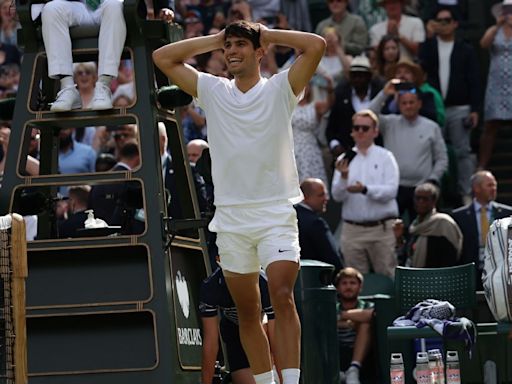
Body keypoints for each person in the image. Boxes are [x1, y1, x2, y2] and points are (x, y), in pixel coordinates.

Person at [153, 21, 325, 384]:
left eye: (240, 45)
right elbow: (162, 58)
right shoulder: (213, 90)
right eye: (228, 46)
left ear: (259, 51)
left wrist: (270, 35)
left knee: (281, 294)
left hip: (276, 212)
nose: (231, 51)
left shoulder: (282, 87)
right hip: (231, 219)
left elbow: (316, 45)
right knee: (247, 311)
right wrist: (216, 40)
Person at [419, 6, 481, 202]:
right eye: (439, 20)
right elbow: (421, 71)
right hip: (434, 108)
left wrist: (475, 109)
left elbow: (475, 80)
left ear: (455, 24)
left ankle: (466, 194)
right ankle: (435, 195)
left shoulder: (466, 49)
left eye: (447, 20)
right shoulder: (428, 47)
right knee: (434, 152)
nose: (443, 24)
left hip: (459, 107)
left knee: (463, 152)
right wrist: (429, 35)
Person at [331, 110, 399, 278]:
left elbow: (391, 191)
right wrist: (344, 178)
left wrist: (365, 189)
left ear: (375, 131)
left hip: (381, 229)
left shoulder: (386, 157)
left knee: (388, 277)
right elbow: (337, 196)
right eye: (357, 128)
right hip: (353, 231)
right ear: (352, 131)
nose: (360, 131)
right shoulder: (344, 159)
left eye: (365, 128)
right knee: (355, 280)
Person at [368, 79, 448, 222]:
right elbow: (368, 115)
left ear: (419, 104)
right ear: (399, 105)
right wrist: (384, 93)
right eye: (404, 103)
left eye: (411, 102)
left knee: (422, 230)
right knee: (391, 229)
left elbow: (442, 158)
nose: (408, 106)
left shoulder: (431, 127)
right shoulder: (389, 123)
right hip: (394, 187)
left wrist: (433, 179)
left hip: (422, 188)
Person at [34, 0, 126, 111]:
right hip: (78, 5)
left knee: (115, 5)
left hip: (109, 5)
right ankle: (67, 87)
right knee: (51, 9)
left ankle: (104, 85)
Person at [200, 267, 277, 384]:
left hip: (263, 325)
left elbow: (278, 340)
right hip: (235, 328)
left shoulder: (265, 283)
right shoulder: (212, 286)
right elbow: (210, 343)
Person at [451, 170, 512, 289]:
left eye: (494, 185)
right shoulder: (459, 216)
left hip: (499, 272)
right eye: (489, 185)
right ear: (476, 188)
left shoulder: (507, 213)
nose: (493, 188)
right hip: (470, 272)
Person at [326, 55, 384, 159]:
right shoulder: (341, 94)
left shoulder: (379, 93)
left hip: (376, 154)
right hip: (346, 154)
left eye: (361, 75)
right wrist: (335, 145)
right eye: (354, 75)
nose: (357, 79)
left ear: (369, 76)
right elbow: (331, 127)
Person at [478, 0, 512, 169]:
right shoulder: (495, 30)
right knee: (491, 124)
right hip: (497, 82)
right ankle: (482, 165)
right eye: (507, 11)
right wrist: (496, 26)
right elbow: (483, 44)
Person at [405, 182, 462, 267]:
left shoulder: (443, 222)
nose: (420, 202)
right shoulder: (414, 226)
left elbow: (451, 255)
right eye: (418, 198)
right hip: (416, 276)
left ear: (434, 201)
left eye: (425, 199)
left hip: (438, 276)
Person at [335, 267, 375, 384]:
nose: (348, 287)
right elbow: (327, 320)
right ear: (337, 287)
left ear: (360, 287)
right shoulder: (332, 306)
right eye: (344, 283)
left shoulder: (366, 305)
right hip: (337, 351)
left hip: (362, 355)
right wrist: (353, 321)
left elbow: (369, 315)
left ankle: (353, 370)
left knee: (365, 325)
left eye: (353, 283)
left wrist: (342, 316)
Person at [295, 178, 343, 272]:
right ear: (305, 197)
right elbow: (332, 257)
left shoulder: (290, 216)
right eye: (321, 195)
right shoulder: (315, 223)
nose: (326, 198)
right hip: (316, 278)